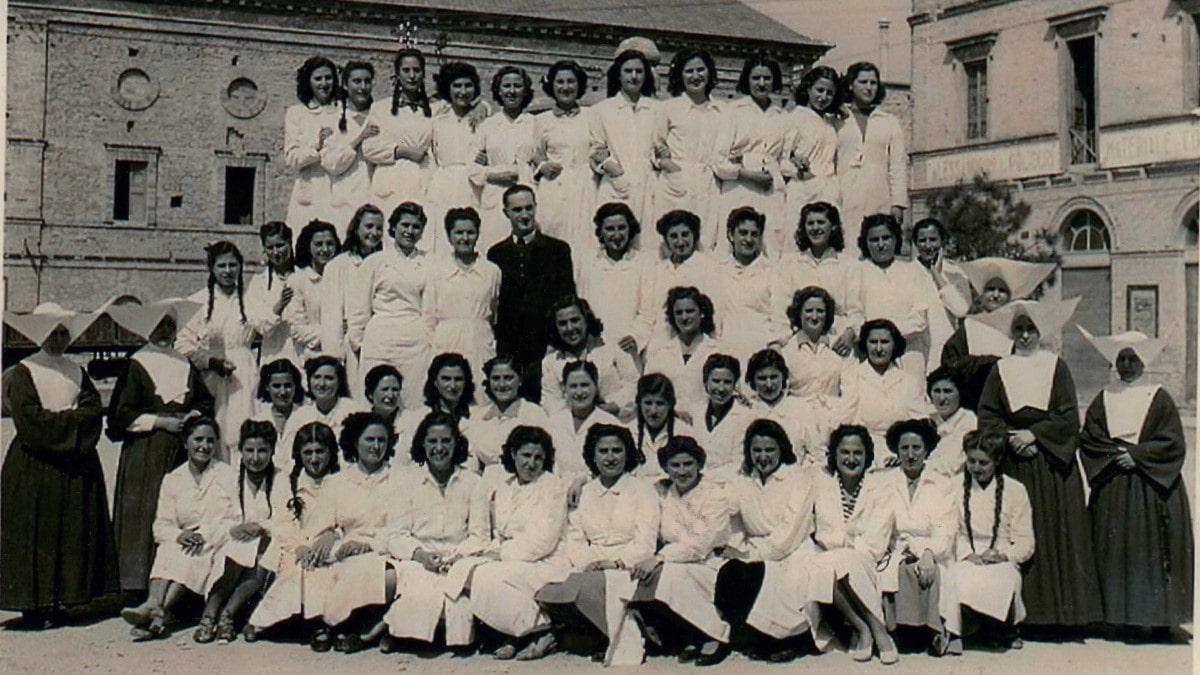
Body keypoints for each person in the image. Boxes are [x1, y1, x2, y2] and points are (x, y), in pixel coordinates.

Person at [976, 299, 1102, 629]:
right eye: (1019, 329)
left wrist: (1035, 435)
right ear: (1011, 332)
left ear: (1040, 331)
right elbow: (988, 414)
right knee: (1017, 531)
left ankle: (1059, 616)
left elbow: (1067, 414)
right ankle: (1019, 617)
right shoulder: (1000, 369)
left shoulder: (1056, 365)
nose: (1025, 335)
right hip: (1015, 461)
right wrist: (1010, 439)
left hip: (1051, 462)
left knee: (1054, 530)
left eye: (1031, 329)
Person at [0, 305, 118, 627]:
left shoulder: (76, 371)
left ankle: (64, 600)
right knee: (36, 532)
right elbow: (28, 417)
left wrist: (62, 422)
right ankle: (34, 605)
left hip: (74, 463)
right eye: (52, 333)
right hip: (35, 463)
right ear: (40, 334)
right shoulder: (24, 371)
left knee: (70, 530)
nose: (58, 339)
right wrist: (70, 421)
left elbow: (93, 411)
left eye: (64, 333)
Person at [1078, 329, 1193, 637]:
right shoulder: (1105, 397)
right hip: (1115, 482)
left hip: (1151, 487)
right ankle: (1121, 619)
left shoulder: (1158, 396)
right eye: (1122, 359)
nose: (1127, 365)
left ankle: (1158, 620)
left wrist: (1138, 456)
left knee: (1153, 550)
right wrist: (1117, 456)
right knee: (1116, 551)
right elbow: (1090, 438)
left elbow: (1172, 442)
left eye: (1133, 359)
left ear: (1144, 362)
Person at [106, 299, 214, 596]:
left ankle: (176, 582)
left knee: (178, 512)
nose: (164, 330)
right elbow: (121, 414)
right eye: (158, 325)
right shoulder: (137, 363)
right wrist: (160, 422)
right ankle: (137, 585)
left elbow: (204, 400)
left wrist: (193, 414)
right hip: (146, 450)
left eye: (169, 324)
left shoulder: (184, 363)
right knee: (146, 510)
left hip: (179, 451)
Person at [533, 424, 658, 665]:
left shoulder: (642, 490)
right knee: (550, 591)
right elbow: (575, 538)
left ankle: (620, 635)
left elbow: (646, 541)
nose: (610, 458)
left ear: (628, 453)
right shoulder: (585, 492)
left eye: (617, 450)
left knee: (590, 587)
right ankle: (613, 631)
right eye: (603, 451)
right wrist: (589, 563)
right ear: (593, 455)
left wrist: (617, 563)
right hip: (592, 564)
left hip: (629, 565)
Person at [121, 416, 238, 641]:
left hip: (215, 539)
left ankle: (155, 612)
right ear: (185, 442)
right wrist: (180, 535)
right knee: (169, 547)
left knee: (192, 553)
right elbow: (162, 525)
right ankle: (156, 607)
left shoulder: (228, 475)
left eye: (210, 440)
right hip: (185, 541)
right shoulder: (173, 479)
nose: (204, 446)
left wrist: (204, 535)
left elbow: (235, 517)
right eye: (198, 439)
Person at [715, 419, 822, 662]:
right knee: (730, 572)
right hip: (756, 546)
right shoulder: (743, 480)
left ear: (782, 449)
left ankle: (791, 642)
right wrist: (732, 546)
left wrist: (751, 555)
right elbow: (728, 513)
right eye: (757, 450)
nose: (763, 457)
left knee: (785, 583)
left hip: (794, 549)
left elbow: (790, 531)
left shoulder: (798, 478)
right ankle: (753, 638)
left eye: (769, 450)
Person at [380, 411, 486, 652]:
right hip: (419, 559)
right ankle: (401, 631)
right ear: (422, 444)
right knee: (421, 593)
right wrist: (420, 555)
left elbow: (479, 535)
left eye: (446, 441)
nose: (439, 448)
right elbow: (395, 534)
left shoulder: (473, 482)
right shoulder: (407, 481)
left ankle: (403, 629)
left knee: (459, 606)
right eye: (433, 441)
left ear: (456, 443)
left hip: (459, 559)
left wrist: (457, 557)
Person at [629, 436, 732, 666]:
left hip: (709, 564)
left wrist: (660, 557)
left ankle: (715, 635)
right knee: (655, 576)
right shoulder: (665, 493)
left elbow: (700, 544)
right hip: (676, 563)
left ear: (699, 464)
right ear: (666, 468)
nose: (682, 471)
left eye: (688, 464)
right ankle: (690, 634)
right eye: (675, 465)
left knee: (669, 575)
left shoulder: (714, 495)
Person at [470, 426, 571, 660]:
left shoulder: (552, 487)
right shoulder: (506, 487)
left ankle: (528, 633)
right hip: (514, 558)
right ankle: (531, 632)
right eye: (526, 455)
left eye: (538, 457)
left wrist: (501, 554)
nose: (531, 463)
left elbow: (543, 541)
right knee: (472, 571)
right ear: (513, 454)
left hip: (546, 561)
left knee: (489, 576)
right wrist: (490, 552)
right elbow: (500, 533)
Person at [245, 422, 341, 645]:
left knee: (326, 567)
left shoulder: (341, 481)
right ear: (299, 454)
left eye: (320, 452)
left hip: (329, 545)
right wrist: (300, 546)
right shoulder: (287, 481)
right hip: (294, 544)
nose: (314, 459)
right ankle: (262, 621)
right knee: (297, 568)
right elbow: (282, 522)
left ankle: (322, 623)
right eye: (308, 452)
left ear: (331, 452)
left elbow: (349, 518)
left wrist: (334, 534)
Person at [195, 420, 285, 644]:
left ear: (272, 451)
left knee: (264, 557)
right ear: (241, 451)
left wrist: (262, 528)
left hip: (268, 541)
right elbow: (214, 518)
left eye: (262, 451)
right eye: (249, 450)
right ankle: (209, 614)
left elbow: (284, 518)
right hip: (232, 539)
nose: (255, 458)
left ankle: (228, 615)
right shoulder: (229, 479)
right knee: (236, 552)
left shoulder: (281, 478)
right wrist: (234, 528)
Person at [810, 424, 894, 663]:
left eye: (857, 453)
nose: (851, 459)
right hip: (829, 557)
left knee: (842, 561)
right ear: (834, 455)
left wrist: (844, 548)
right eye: (845, 452)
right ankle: (868, 628)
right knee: (825, 564)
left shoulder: (880, 488)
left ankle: (871, 630)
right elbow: (820, 532)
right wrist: (840, 547)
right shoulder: (821, 487)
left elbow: (877, 538)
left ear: (867, 456)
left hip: (867, 558)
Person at [875, 419, 959, 656]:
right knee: (891, 572)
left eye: (916, 448)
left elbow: (945, 529)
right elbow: (880, 525)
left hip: (933, 548)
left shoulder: (941, 484)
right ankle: (896, 632)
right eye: (904, 448)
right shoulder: (885, 481)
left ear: (927, 450)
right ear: (896, 450)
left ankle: (933, 632)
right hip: (895, 548)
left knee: (936, 572)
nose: (910, 455)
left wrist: (928, 553)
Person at [317, 412, 400, 652]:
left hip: (386, 548)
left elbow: (401, 526)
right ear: (355, 441)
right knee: (341, 571)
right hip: (347, 548)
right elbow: (323, 526)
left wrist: (370, 545)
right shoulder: (336, 482)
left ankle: (354, 626)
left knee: (386, 576)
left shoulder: (401, 479)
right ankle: (344, 624)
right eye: (369, 439)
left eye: (381, 440)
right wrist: (331, 535)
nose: (376, 446)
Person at [487, 184, 575, 401]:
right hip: (510, 351)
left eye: (529, 208)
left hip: (546, 348)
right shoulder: (496, 253)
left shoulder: (558, 250)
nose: (524, 215)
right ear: (506, 212)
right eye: (517, 210)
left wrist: (558, 343)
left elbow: (567, 300)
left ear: (536, 207)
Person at [178, 241, 263, 460]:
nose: (228, 271)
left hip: (243, 374)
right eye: (222, 266)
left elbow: (266, 326)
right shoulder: (197, 301)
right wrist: (212, 362)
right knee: (214, 431)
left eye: (233, 265)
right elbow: (183, 344)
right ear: (211, 268)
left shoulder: (250, 300)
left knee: (241, 430)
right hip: (210, 379)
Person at [952, 430, 1034, 650]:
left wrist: (1002, 555)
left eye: (983, 462)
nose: (976, 467)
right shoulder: (954, 487)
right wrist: (967, 554)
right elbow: (950, 531)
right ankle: (974, 627)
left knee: (1003, 576)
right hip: (965, 553)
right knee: (960, 576)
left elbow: (1025, 540)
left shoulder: (1015, 490)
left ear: (997, 461)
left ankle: (1001, 628)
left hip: (1000, 553)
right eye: (971, 461)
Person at [942, 257, 1058, 411]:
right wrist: (980, 365)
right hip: (973, 401)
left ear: (1010, 296)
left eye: (1002, 291)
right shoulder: (970, 325)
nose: (995, 295)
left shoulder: (1018, 328)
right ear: (981, 294)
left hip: (1009, 400)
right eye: (990, 289)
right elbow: (950, 363)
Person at [349, 201, 431, 409]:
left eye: (416, 226)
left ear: (422, 231)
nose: (410, 231)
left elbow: (431, 307)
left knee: (412, 400)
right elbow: (359, 309)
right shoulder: (375, 262)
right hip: (380, 341)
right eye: (405, 225)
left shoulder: (429, 263)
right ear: (393, 227)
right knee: (376, 400)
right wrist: (360, 344)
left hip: (415, 342)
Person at [845, 214, 951, 372]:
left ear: (895, 239)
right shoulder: (857, 271)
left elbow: (919, 318)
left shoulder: (912, 271)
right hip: (872, 354)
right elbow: (854, 312)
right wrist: (873, 339)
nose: (881, 245)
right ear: (865, 242)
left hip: (909, 353)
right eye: (874, 240)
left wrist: (888, 335)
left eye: (886, 238)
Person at [715, 56, 788, 256]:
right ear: (747, 79)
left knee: (772, 242)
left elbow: (784, 158)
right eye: (756, 78)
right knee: (738, 241)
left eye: (767, 78)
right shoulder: (733, 111)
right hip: (740, 186)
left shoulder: (781, 115)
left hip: (771, 188)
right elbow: (718, 160)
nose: (761, 83)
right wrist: (746, 174)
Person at [837, 318, 933, 464]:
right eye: (873, 342)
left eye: (885, 342)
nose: (878, 349)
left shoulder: (909, 381)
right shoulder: (853, 377)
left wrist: (904, 454)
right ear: (865, 344)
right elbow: (846, 420)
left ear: (894, 345)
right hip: (863, 453)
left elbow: (919, 423)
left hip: (902, 454)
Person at [653, 48, 723, 245]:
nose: (695, 76)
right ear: (680, 75)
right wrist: (670, 167)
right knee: (674, 240)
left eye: (700, 69)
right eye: (689, 71)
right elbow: (655, 147)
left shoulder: (722, 110)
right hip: (675, 183)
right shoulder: (668, 108)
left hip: (709, 183)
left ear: (709, 72)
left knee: (707, 240)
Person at [424, 207, 501, 380]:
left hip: (481, 341)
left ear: (478, 234)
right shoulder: (436, 271)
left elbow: (494, 311)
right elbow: (428, 317)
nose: (465, 238)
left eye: (470, 232)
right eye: (459, 232)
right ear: (449, 236)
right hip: (447, 342)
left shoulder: (491, 271)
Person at [835, 61, 906, 245]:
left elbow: (897, 165)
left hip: (879, 195)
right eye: (863, 82)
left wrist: (898, 203)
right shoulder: (837, 119)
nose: (868, 87)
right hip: (844, 194)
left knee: (876, 243)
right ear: (851, 85)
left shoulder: (889, 121)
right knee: (847, 244)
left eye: (873, 83)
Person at [590, 46, 659, 228]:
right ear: (619, 75)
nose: (634, 76)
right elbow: (596, 150)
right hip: (614, 186)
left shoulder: (657, 110)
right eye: (628, 71)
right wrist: (617, 173)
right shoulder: (602, 110)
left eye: (639, 71)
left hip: (649, 186)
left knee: (648, 237)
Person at [777, 201, 859, 355]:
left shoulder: (849, 265)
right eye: (810, 223)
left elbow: (856, 310)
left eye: (821, 222)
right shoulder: (789, 263)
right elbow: (779, 308)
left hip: (837, 341)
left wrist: (850, 333)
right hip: (798, 340)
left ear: (833, 227)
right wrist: (785, 341)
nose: (815, 228)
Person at [320, 203, 384, 397]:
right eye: (369, 226)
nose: (374, 233)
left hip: (380, 343)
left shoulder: (385, 262)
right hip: (350, 349)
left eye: (379, 228)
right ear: (356, 228)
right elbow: (331, 317)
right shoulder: (338, 265)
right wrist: (335, 359)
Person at [533, 60, 596, 251]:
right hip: (554, 187)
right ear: (551, 85)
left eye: (571, 81)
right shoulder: (541, 120)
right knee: (553, 238)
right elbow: (534, 154)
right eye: (560, 82)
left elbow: (600, 147)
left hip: (586, 187)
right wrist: (543, 166)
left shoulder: (592, 116)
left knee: (586, 239)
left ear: (579, 85)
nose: (566, 87)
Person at [540, 295, 638, 419]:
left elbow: (633, 384)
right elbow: (551, 402)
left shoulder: (611, 348)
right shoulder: (551, 362)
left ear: (586, 319)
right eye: (563, 324)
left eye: (575, 320)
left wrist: (616, 405)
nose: (570, 328)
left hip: (617, 419)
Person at [362, 48, 433, 217]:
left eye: (416, 70)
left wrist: (479, 107)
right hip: (391, 184)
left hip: (422, 181)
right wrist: (401, 151)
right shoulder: (381, 108)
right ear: (397, 75)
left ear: (423, 74)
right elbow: (369, 147)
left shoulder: (434, 109)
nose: (412, 76)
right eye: (406, 70)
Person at [635, 210, 722, 347]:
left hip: (695, 345)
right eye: (674, 236)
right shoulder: (657, 270)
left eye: (685, 234)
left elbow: (715, 314)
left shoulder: (708, 267)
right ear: (666, 240)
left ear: (694, 235)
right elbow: (647, 313)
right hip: (659, 344)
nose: (680, 242)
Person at [474, 66, 536, 250]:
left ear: (525, 91)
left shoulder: (535, 123)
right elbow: (471, 166)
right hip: (495, 193)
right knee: (495, 246)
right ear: (498, 90)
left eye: (518, 86)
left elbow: (543, 158)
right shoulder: (487, 125)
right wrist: (492, 175)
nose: (512, 91)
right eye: (507, 86)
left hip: (526, 190)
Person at [714, 207, 786, 362]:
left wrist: (774, 347)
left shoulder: (772, 272)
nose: (748, 239)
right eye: (743, 233)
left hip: (761, 351)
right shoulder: (717, 271)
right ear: (730, 235)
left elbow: (780, 317)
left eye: (754, 234)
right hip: (725, 350)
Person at [426, 61, 483, 253]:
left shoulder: (483, 119)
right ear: (448, 89)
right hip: (443, 185)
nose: (463, 91)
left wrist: (481, 106)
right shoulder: (437, 119)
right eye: (457, 86)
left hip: (473, 185)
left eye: (468, 85)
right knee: (442, 239)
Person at [575, 202, 651, 345]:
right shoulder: (588, 262)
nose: (617, 235)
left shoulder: (643, 263)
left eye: (621, 228)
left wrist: (635, 337)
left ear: (630, 229)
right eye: (610, 229)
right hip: (595, 344)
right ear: (601, 232)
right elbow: (581, 304)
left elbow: (648, 311)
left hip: (628, 345)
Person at [642, 286, 725, 413]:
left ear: (702, 313)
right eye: (679, 312)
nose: (684, 317)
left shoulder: (718, 351)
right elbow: (647, 393)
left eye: (690, 311)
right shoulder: (660, 354)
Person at [278, 356, 367, 468]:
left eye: (329, 378)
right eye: (317, 377)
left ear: (339, 381)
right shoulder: (299, 416)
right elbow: (286, 458)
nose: (322, 384)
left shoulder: (356, 412)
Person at [546, 360, 627, 483]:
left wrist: (585, 481)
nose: (579, 392)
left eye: (584, 385)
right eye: (573, 386)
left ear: (596, 386)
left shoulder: (610, 423)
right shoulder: (553, 422)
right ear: (564, 388)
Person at [322, 61, 379, 234]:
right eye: (357, 81)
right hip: (344, 203)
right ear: (346, 85)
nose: (363, 87)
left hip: (376, 201)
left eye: (367, 81)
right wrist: (358, 140)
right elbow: (331, 164)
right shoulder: (332, 119)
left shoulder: (379, 116)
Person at [743, 348, 826, 465]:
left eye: (774, 377)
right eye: (762, 378)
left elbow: (818, 454)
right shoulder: (746, 410)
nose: (769, 384)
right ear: (753, 380)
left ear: (783, 377)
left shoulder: (802, 409)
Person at [285, 56, 339, 232]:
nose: (324, 83)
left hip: (338, 189)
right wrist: (317, 145)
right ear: (308, 82)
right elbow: (292, 159)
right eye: (318, 79)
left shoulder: (343, 112)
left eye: (328, 78)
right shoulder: (297, 114)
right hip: (309, 190)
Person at [776, 285, 852, 409]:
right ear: (799, 314)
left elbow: (850, 393)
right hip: (796, 415)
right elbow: (781, 396)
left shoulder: (839, 346)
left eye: (820, 311)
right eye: (809, 311)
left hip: (833, 414)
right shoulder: (786, 351)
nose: (815, 317)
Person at [470, 355, 550, 473]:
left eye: (508, 378)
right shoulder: (478, 417)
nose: (502, 384)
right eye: (496, 378)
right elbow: (472, 459)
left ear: (520, 380)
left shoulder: (534, 414)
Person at [783, 65, 842, 224]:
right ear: (808, 89)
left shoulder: (831, 122)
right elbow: (782, 158)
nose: (823, 97)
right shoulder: (795, 117)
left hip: (829, 191)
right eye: (819, 90)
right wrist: (798, 171)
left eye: (829, 93)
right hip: (803, 189)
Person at [395, 352, 477, 460]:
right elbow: (404, 458)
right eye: (446, 379)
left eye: (458, 379)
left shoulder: (477, 417)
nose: (453, 386)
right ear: (435, 381)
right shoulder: (416, 419)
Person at [686, 354, 752, 479]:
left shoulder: (745, 417)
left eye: (727, 382)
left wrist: (706, 477)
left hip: (727, 483)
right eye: (716, 381)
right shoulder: (696, 411)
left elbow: (738, 463)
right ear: (706, 382)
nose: (721, 388)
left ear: (735, 385)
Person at [245, 221, 299, 365]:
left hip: (302, 354)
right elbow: (258, 325)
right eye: (270, 247)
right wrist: (278, 308)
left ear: (290, 243)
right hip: (274, 355)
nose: (276, 252)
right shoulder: (258, 283)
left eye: (280, 245)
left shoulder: (304, 275)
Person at [289, 219, 340, 361]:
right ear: (308, 246)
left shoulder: (342, 277)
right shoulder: (298, 280)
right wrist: (333, 333)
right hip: (310, 356)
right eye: (318, 244)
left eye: (330, 244)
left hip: (341, 355)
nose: (325, 249)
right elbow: (297, 329)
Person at [631, 374, 695, 481]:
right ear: (639, 403)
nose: (653, 411)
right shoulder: (629, 431)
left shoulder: (684, 432)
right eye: (648, 403)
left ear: (670, 404)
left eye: (660, 404)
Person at [911, 218, 971, 329]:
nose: (928, 246)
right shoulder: (907, 272)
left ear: (942, 241)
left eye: (933, 240)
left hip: (948, 338)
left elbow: (961, 310)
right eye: (922, 240)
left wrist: (936, 274)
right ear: (915, 243)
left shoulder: (955, 272)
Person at [926, 366, 977, 477]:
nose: (942, 398)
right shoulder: (928, 418)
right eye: (937, 391)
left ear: (960, 393)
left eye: (947, 391)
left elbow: (952, 465)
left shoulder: (968, 421)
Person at [252, 358, 305, 443]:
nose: (283, 392)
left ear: (295, 386)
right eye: (276, 386)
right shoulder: (258, 421)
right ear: (267, 387)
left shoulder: (306, 417)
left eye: (287, 386)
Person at [363, 364, 404, 440]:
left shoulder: (412, 421)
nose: (390, 395)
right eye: (385, 389)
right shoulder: (362, 424)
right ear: (370, 394)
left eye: (395, 389)